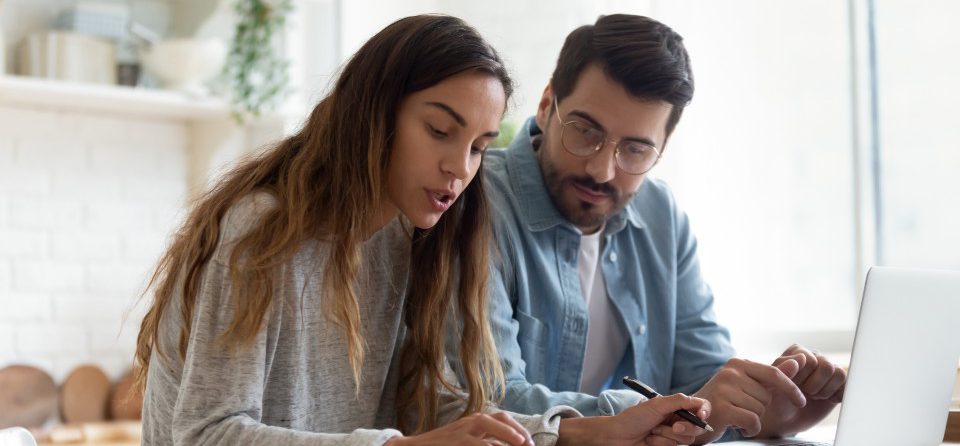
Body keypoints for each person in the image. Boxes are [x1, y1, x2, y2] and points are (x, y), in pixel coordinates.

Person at [133, 14, 709, 446]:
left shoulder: (408, 239)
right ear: (376, 112)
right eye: (439, 130)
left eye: (480, 148)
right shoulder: (262, 231)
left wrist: (587, 432)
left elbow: (429, 406)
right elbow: (206, 434)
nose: (460, 168)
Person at [481, 14, 847, 443]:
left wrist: (767, 404)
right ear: (546, 106)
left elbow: (705, 376)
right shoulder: (478, 202)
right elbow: (490, 401)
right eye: (584, 131)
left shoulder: (661, 215)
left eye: (635, 149)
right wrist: (659, 413)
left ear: (662, 149)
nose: (601, 169)